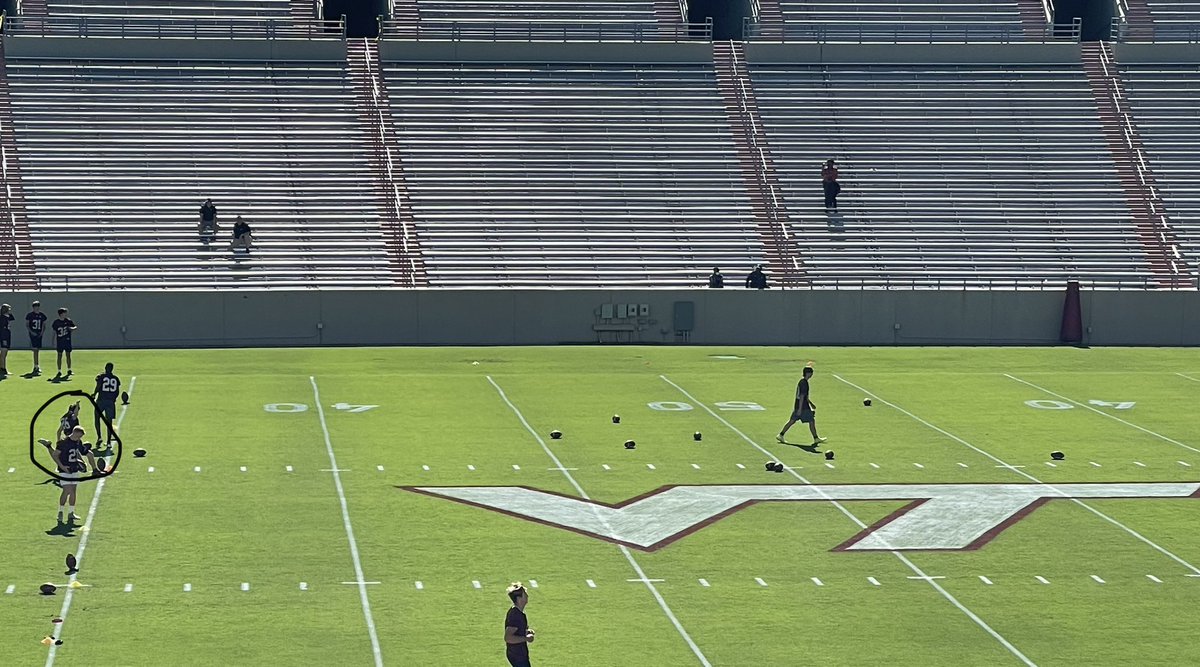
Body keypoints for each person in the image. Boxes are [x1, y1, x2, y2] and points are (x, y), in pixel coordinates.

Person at [41, 426, 97, 525]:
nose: (79, 438)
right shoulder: (63, 443)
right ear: (74, 433)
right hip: (64, 471)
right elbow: (55, 455)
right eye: (79, 436)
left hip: (74, 469)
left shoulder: (78, 442)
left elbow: (80, 452)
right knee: (67, 490)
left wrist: (82, 463)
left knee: (73, 491)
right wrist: (62, 467)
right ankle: (60, 512)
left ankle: (71, 512)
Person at [778, 363, 827, 446]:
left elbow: (805, 396)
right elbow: (801, 396)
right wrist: (800, 409)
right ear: (808, 373)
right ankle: (816, 438)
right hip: (803, 407)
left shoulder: (803, 382)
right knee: (811, 421)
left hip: (801, 406)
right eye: (811, 373)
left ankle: (781, 435)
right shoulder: (804, 383)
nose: (812, 375)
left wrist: (811, 404)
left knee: (792, 421)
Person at [504, 582, 535, 667]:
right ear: (519, 598)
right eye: (525, 594)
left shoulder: (519, 613)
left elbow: (516, 631)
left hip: (518, 654)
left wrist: (526, 632)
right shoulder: (515, 615)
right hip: (517, 655)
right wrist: (526, 638)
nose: (527, 595)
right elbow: (508, 637)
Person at [92, 363, 121, 451]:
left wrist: (94, 394)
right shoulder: (116, 379)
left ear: (105, 368)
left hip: (101, 400)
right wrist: (113, 399)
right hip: (110, 402)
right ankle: (108, 442)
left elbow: (99, 386)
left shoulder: (101, 376)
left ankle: (99, 437)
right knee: (109, 422)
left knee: (97, 418)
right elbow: (117, 391)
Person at [51, 308, 76, 378]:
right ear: (61, 314)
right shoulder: (56, 322)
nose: (65, 314)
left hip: (67, 341)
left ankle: (69, 369)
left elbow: (75, 327)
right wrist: (53, 341)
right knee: (59, 356)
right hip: (60, 341)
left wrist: (72, 329)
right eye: (64, 313)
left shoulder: (68, 321)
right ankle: (59, 371)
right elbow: (54, 332)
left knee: (68, 355)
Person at [26, 300, 46, 375]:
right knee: (35, 350)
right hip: (33, 333)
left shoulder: (42, 315)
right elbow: (27, 325)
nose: (36, 308)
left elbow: (44, 325)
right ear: (33, 308)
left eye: (37, 307)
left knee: (37, 350)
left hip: (39, 334)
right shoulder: (30, 315)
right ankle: (36, 366)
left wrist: (42, 332)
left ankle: (37, 366)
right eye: (35, 307)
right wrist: (31, 332)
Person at [0, 303, 12, 376]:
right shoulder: (2, 318)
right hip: (3, 336)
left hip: (7, 336)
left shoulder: (7, 317)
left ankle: (2, 368)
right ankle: (3, 369)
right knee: (3, 353)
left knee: (4, 353)